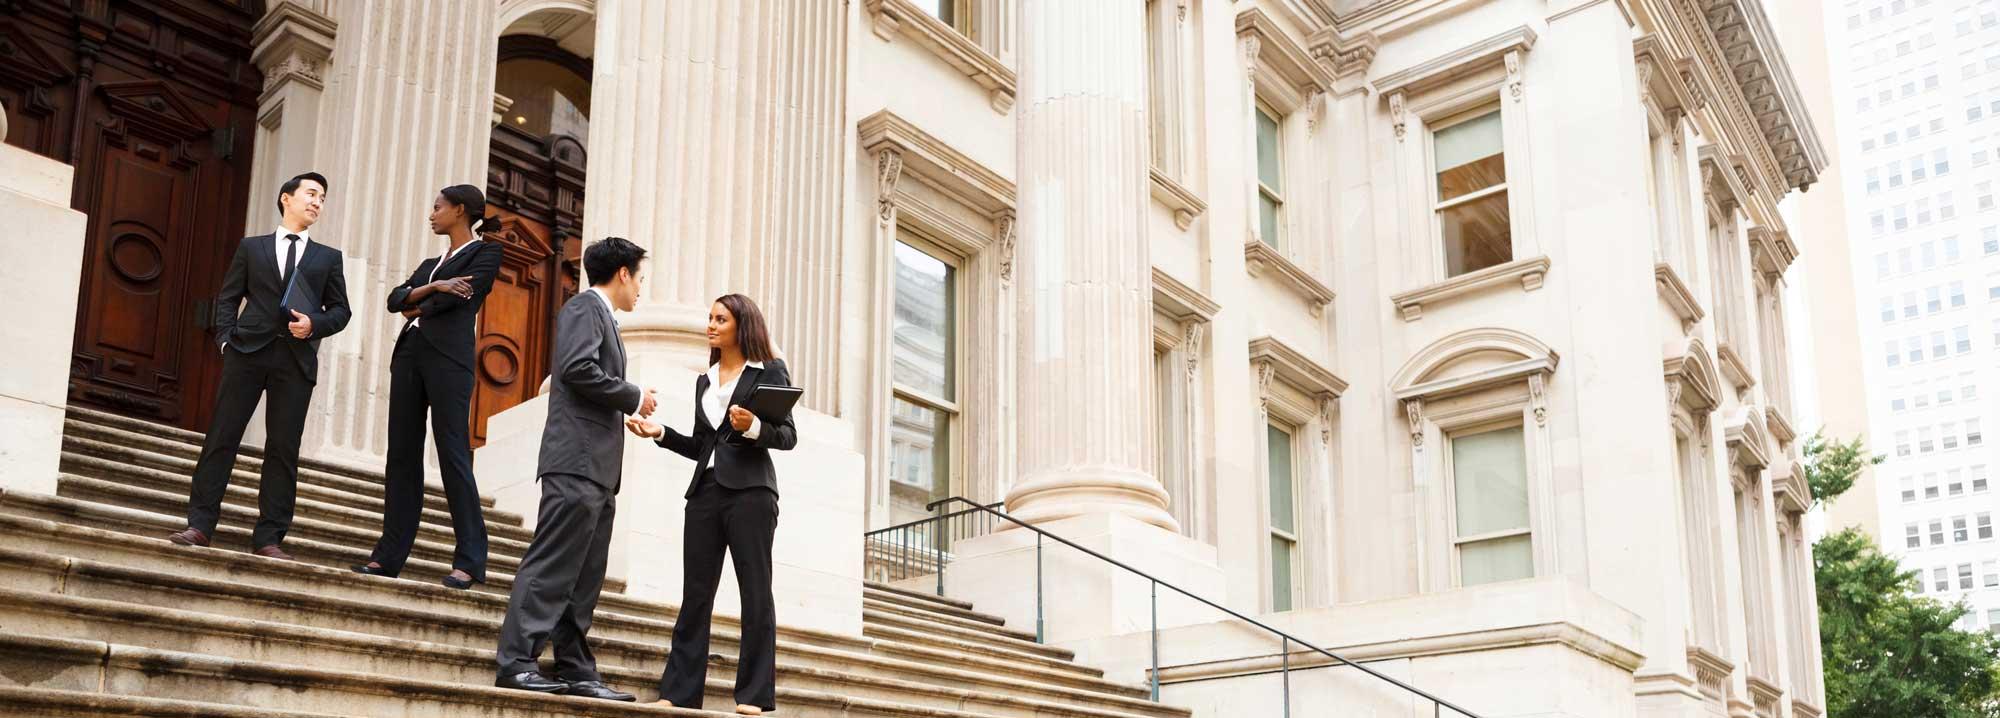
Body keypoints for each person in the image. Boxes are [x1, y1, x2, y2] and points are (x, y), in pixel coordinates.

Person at [493, 236, 658, 702]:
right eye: (640, 277)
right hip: (576, 462)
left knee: (584, 576)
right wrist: (632, 395)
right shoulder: (585, 308)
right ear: (623, 273)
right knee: (552, 565)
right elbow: (578, 369)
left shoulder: (605, 317)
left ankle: (575, 667)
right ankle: (517, 662)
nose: (641, 288)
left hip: (599, 469)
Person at [625, 293, 796, 716]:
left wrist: (754, 426)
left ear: (742, 325)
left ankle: (754, 696)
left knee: (755, 592)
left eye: (721, 318)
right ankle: (680, 691)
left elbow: (788, 435)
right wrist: (660, 431)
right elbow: (704, 444)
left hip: (752, 494)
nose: (711, 325)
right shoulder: (706, 378)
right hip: (705, 492)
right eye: (710, 318)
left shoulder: (768, 371)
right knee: (695, 594)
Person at [168, 172, 352, 560]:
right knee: (222, 436)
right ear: (286, 198)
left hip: (295, 361)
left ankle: (269, 537)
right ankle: (199, 525)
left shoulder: (327, 258)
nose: (318, 202)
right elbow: (228, 297)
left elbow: (341, 311)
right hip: (247, 353)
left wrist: (313, 325)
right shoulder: (252, 248)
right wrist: (224, 340)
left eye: (323, 197)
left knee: (283, 449)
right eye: (311, 194)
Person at [353, 185, 505, 589]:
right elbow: (394, 301)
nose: (432, 213)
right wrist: (436, 288)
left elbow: (464, 296)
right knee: (401, 455)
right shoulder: (429, 264)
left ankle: (470, 560)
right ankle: (388, 557)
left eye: (438, 207)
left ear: (459, 210)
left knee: (453, 451)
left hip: (449, 359)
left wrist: (420, 300)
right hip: (409, 355)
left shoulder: (488, 252)